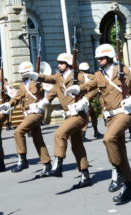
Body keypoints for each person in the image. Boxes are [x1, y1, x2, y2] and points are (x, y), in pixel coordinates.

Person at [68, 44, 131, 203]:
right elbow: (89, 85)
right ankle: (128, 188)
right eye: (98, 58)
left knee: (108, 139)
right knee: (120, 151)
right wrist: (77, 89)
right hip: (110, 117)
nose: (99, 61)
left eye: (102, 58)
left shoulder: (124, 70)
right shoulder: (99, 74)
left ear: (110, 57)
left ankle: (118, 171)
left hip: (124, 112)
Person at [38, 53, 93, 188]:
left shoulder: (78, 75)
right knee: (77, 146)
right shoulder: (59, 77)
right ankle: (85, 176)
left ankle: (58, 165)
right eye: (59, 63)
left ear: (68, 64)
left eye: (61, 63)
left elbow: (94, 87)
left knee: (59, 134)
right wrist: (35, 76)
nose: (59, 66)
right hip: (69, 116)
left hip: (79, 114)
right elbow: (48, 80)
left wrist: (85, 100)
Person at [7, 62, 51, 173]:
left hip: (37, 112)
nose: (22, 75)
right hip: (28, 113)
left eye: (24, 73)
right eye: (21, 73)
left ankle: (23, 160)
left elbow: (48, 89)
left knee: (18, 132)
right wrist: (8, 104)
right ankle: (47, 164)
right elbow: (17, 97)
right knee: (37, 139)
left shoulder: (37, 81)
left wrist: (39, 80)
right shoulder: (22, 85)